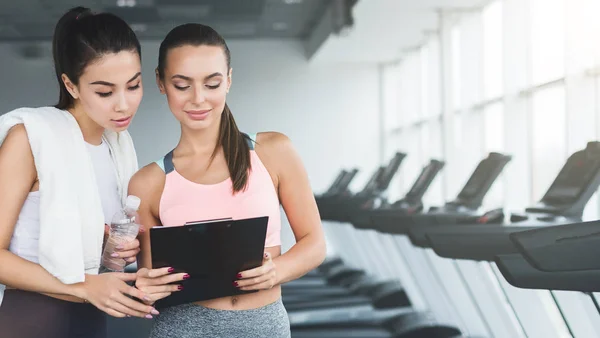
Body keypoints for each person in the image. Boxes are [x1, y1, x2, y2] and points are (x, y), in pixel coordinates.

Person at [129, 23, 327, 338]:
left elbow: (314, 244)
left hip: (263, 326)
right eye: (182, 85)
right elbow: (155, 283)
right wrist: (147, 286)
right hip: (183, 328)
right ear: (161, 83)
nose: (198, 99)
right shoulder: (148, 183)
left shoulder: (272, 151)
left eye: (212, 83)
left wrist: (275, 272)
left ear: (229, 80)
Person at [0, 7, 184, 338]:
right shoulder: (31, 138)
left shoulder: (118, 146)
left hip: (93, 319)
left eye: (133, 85)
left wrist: (110, 250)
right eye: (104, 91)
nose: (123, 104)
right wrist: (85, 286)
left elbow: (90, 258)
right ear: (70, 85)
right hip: (33, 319)